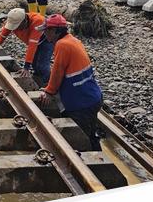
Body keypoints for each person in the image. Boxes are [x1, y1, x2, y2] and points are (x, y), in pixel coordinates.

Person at [37, 14, 103, 151]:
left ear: (56, 31)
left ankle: (93, 165)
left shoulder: (62, 45)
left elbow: (57, 72)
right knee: (91, 133)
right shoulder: (72, 40)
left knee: (83, 138)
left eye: (47, 30)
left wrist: (49, 92)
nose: (44, 33)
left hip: (82, 102)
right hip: (92, 97)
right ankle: (97, 154)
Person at [0, 8, 53, 85]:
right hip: (33, 42)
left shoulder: (38, 21)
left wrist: (26, 67)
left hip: (46, 41)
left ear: (24, 21)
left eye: (17, 26)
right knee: (35, 64)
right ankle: (38, 79)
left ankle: (48, 84)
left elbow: (32, 45)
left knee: (42, 65)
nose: (15, 28)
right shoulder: (12, 20)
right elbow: (2, 35)